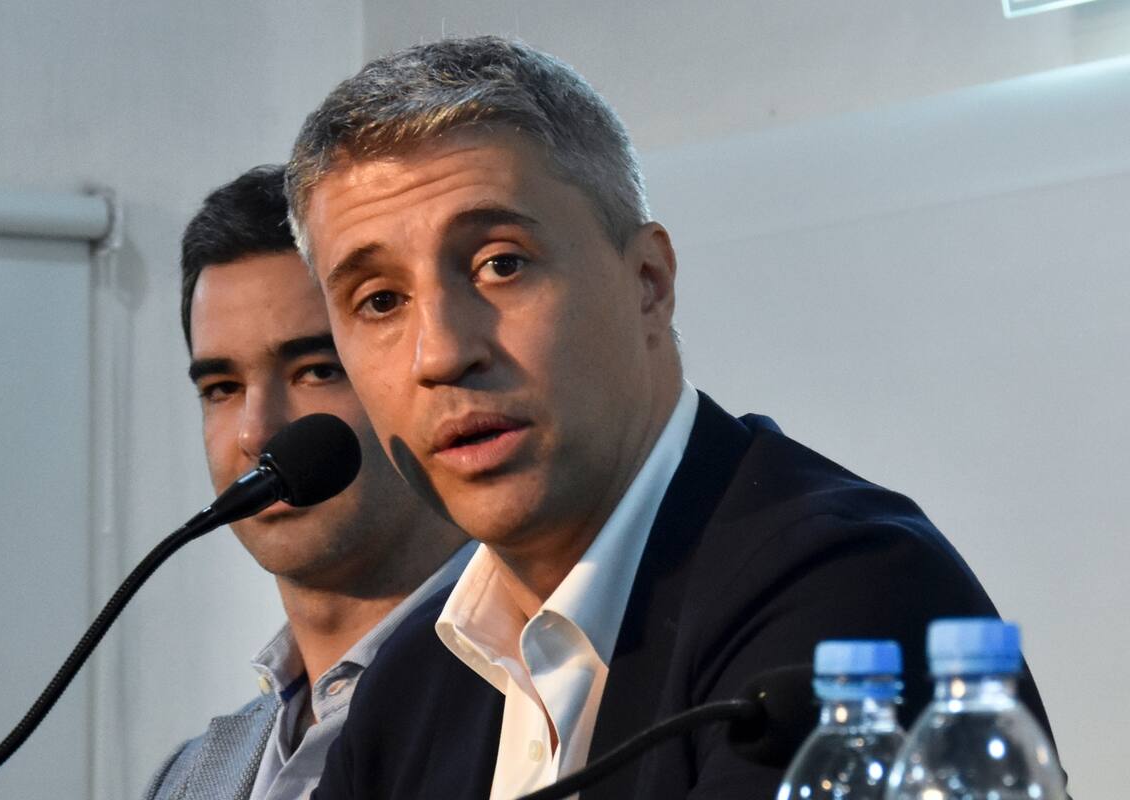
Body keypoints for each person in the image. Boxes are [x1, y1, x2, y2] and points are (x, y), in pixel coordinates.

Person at [286, 37, 1060, 799]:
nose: (441, 353)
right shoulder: (408, 690)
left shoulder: (852, 597)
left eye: (501, 263)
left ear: (649, 283)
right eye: (380, 301)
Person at [141, 165, 472, 800]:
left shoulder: (543, 706)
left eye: (317, 371)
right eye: (222, 388)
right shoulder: (186, 779)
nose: (256, 432)